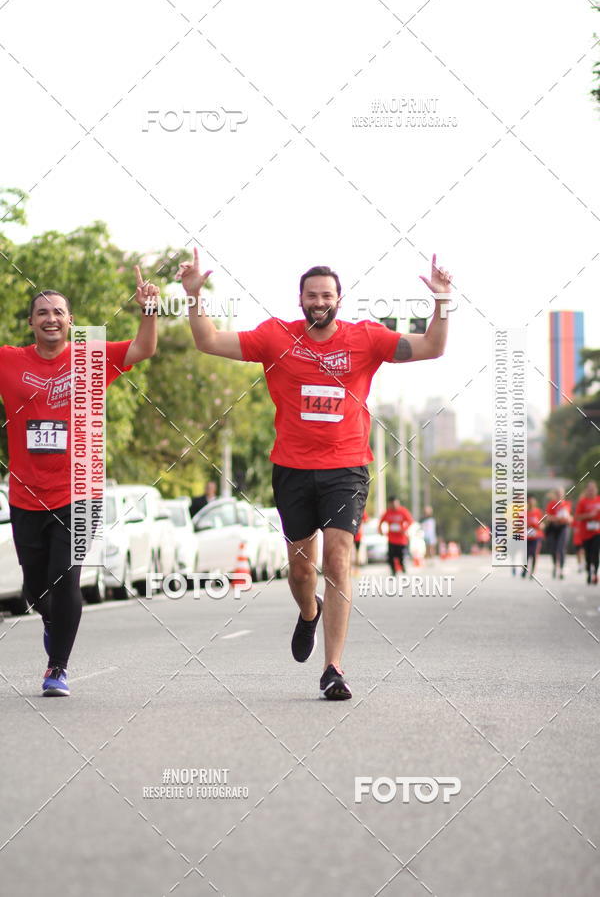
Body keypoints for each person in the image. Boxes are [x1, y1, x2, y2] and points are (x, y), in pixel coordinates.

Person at [177, 248, 453, 699]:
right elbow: (208, 340)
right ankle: (309, 613)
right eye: (312, 295)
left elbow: (432, 347)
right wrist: (193, 296)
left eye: (327, 294)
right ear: (300, 299)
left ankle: (334, 669)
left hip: (346, 466)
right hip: (292, 468)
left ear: (339, 300)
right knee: (302, 572)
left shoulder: (367, 338)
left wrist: (442, 301)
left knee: (339, 559)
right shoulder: (274, 337)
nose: (319, 301)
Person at [0, 268, 159, 696]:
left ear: (70, 321)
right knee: (35, 588)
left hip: (79, 489)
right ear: (30, 323)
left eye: (58, 312)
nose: (50, 318)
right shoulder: (9, 360)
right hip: (26, 493)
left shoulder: (90, 357)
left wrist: (149, 309)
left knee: (66, 576)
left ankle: (57, 667)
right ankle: (53, 622)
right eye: (41, 313)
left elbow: (145, 347)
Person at [378, 497, 414, 575]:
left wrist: (405, 529)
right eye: (392, 504)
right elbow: (381, 522)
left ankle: (403, 568)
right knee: (391, 557)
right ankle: (393, 571)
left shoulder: (403, 511)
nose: (394, 505)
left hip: (401, 539)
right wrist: (380, 530)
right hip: (391, 539)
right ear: (389, 504)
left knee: (401, 556)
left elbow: (410, 521)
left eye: (396, 503)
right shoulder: (388, 512)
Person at [574, 481, 600, 585]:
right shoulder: (582, 502)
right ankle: (589, 572)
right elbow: (577, 517)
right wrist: (589, 515)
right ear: (586, 491)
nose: (591, 491)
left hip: (597, 531)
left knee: (595, 553)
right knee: (588, 555)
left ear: (596, 490)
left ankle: (595, 574)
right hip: (585, 533)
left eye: (593, 489)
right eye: (589, 489)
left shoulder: (599, 500)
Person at [544, 487, 572, 579]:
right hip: (554, 528)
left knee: (561, 548)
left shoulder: (567, 504)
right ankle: (555, 565)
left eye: (561, 493)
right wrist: (557, 518)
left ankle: (562, 568)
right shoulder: (551, 504)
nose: (560, 495)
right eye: (558, 493)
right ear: (555, 495)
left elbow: (571, 518)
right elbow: (547, 517)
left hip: (564, 528)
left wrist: (569, 519)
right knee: (554, 550)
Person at [523, 495, 543, 578]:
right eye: (529, 502)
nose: (531, 503)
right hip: (527, 536)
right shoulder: (525, 513)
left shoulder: (538, 512)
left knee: (534, 554)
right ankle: (525, 570)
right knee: (526, 554)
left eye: (532, 502)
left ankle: (532, 571)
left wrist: (537, 525)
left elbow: (542, 524)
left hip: (536, 536)